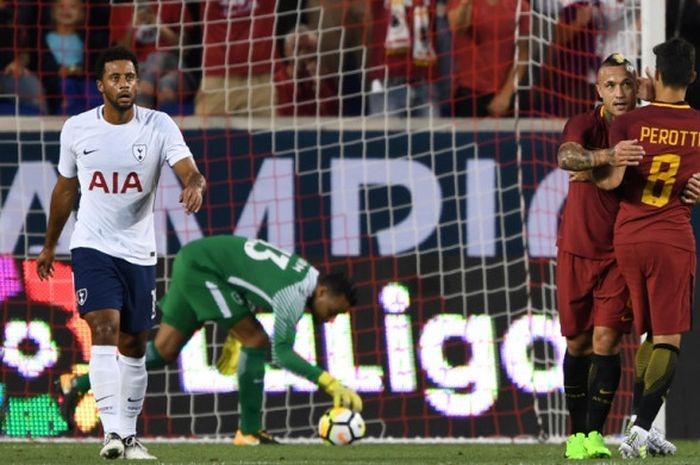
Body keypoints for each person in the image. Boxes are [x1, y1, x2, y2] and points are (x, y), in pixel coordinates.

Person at [36, 46, 206, 460]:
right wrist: (49, 244)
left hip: (139, 250)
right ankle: (111, 432)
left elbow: (189, 169)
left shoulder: (158, 125)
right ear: (101, 86)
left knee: (134, 345)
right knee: (104, 329)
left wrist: (194, 185)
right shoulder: (77, 129)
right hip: (92, 244)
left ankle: (128, 437)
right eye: (116, 78)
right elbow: (65, 189)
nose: (125, 84)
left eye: (130, 77)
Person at [55, 234, 362, 446]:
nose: (331, 318)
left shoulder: (307, 277)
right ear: (322, 292)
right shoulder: (294, 294)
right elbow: (281, 353)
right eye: (334, 311)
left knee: (163, 352)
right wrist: (330, 383)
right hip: (204, 271)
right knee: (256, 341)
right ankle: (249, 432)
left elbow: (255, 280)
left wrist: (234, 335)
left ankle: (77, 384)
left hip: (197, 260)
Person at [592, 37, 699, 459]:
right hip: (671, 237)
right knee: (669, 338)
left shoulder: (628, 123)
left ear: (652, 77)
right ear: (692, 76)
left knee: (650, 335)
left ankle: (643, 424)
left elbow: (611, 181)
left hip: (629, 237)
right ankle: (637, 429)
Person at [446, 0, 530, 117]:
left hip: (504, 92)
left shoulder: (520, 5)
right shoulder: (460, 2)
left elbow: (523, 53)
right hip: (467, 91)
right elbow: (457, 28)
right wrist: (466, 4)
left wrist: (506, 94)